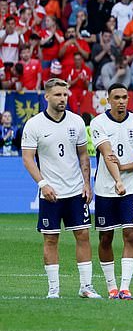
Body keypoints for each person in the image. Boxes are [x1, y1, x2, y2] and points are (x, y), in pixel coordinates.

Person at [21, 78, 100, 299]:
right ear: (47, 97)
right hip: (51, 194)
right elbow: (27, 158)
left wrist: (87, 183)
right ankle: (53, 289)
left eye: (65, 95)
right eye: (57, 95)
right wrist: (43, 184)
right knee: (51, 239)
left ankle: (86, 286)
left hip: (76, 191)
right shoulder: (35, 125)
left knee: (83, 235)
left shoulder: (76, 122)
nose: (62, 99)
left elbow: (83, 154)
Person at [90, 83, 133, 300]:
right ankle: (111, 287)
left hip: (131, 187)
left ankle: (125, 288)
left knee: (130, 234)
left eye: (125, 97)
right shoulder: (98, 122)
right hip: (106, 188)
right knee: (106, 237)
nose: (122, 101)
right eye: (117, 97)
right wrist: (117, 180)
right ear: (108, 99)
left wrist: (124, 169)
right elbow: (107, 154)